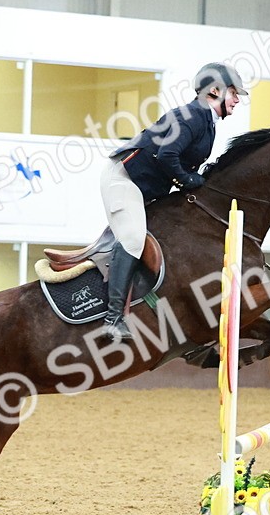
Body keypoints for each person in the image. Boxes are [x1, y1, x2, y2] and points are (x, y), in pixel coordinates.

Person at [99, 61, 248, 341]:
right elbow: (168, 156)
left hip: (144, 184)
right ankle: (112, 318)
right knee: (132, 239)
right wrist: (188, 180)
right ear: (215, 91)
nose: (238, 99)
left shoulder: (207, 120)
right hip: (124, 179)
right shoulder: (193, 115)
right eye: (233, 92)